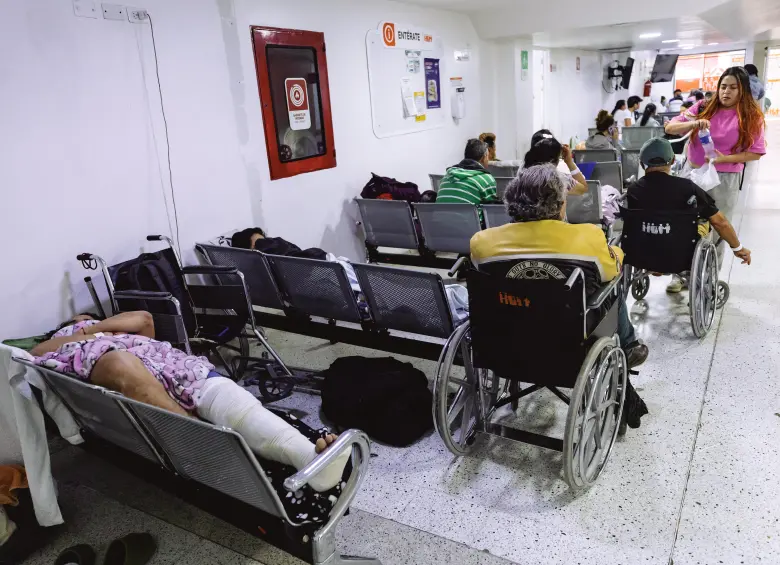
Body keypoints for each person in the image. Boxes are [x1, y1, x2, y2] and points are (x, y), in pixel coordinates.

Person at [31, 312, 351, 502]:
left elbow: (144, 320)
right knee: (119, 362)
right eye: (83, 318)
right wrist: (83, 331)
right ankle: (204, 446)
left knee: (236, 405)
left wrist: (97, 326)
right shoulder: (64, 338)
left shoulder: (117, 329)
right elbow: (36, 351)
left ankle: (309, 460)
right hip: (121, 374)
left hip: (183, 375)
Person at [470, 165, 649, 428]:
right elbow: (612, 270)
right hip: (567, 344)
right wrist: (618, 254)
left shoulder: (482, 242)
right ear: (560, 203)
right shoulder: (587, 237)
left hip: (504, 341)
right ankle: (629, 344)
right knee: (611, 285)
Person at [627, 138, 752, 292]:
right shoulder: (688, 188)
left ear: (641, 163)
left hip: (643, 252)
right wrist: (738, 248)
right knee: (706, 222)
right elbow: (720, 222)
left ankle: (657, 264)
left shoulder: (633, 190)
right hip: (680, 254)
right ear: (673, 160)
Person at [665, 67, 766, 244]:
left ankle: (713, 261)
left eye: (733, 88)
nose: (726, 91)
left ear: (743, 90)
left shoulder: (751, 116)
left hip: (724, 180)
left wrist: (724, 159)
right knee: (683, 223)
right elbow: (670, 128)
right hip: (692, 174)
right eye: (723, 87)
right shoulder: (703, 107)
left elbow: (756, 152)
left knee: (719, 228)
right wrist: (694, 123)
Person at [524, 130, 588, 195]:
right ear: (556, 158)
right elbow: (583, 188)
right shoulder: (558, 180)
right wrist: (569, 162)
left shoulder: (522, 175)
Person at [437, 139, 498, 205]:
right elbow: (491, 208)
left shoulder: (447, 176)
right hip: (469, 212)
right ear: (483, 157)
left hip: (440, 212)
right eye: (487, 157)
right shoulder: (486, 179)